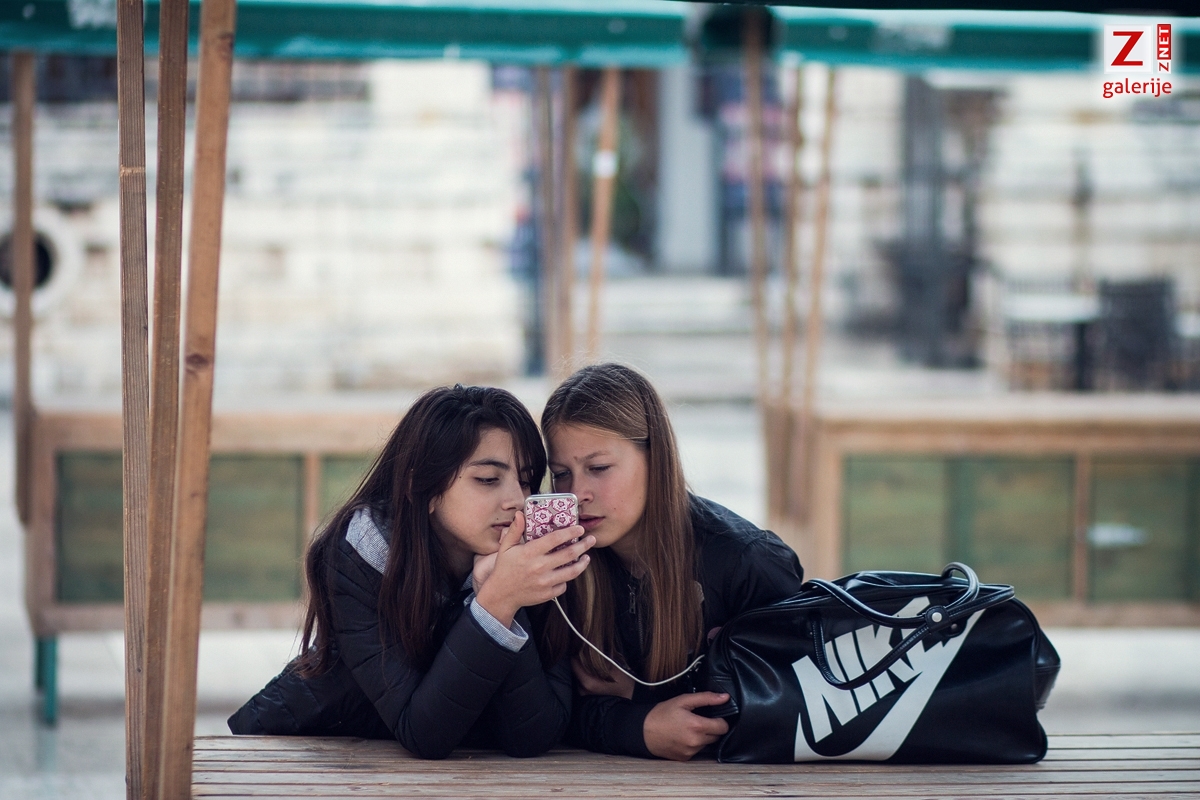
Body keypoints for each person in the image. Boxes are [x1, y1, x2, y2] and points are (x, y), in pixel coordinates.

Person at [229, 385, 595, 759]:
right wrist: (495, 604)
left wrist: (505, 597)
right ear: (423, 486)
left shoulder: (531, 559)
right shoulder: (363, 557)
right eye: (488, 479)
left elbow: (533, 735)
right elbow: (423, 733)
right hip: (292, 752)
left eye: (527, 479)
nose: (517, 499)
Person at [537, 363, 805, 762]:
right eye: (561, 474)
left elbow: (795, 710)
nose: (577, 494)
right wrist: (637, 727)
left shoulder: (746, 561)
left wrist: (640, 700)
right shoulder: (561, 562)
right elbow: (547, 715)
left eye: (598, 468)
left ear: (655, 457)